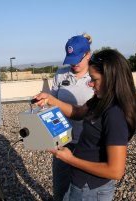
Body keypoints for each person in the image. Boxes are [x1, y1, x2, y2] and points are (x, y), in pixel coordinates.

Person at [34, 49, 136, 200]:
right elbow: (77, 113)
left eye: (94, 79)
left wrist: (70, 159)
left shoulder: (115, 114)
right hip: (80, 182)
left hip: (92, 189)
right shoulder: (99, 100)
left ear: (111, 78)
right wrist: (51, 99)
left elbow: (116, 171)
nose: (90, 84)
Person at [50, 33, 94, 200]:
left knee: (83, 191)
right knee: (60, 188)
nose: (74, 63)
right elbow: (52, 105)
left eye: (78, 59)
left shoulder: (96, 77)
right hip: (62, 141)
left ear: (88, 54)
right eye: (70, 58)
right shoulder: (60, 75)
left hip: (88, 143)